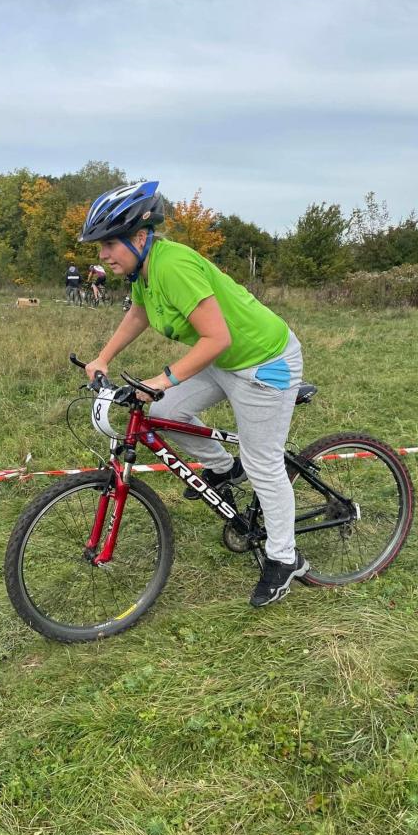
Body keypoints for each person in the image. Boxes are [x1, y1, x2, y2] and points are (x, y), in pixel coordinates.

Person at [81, 180, 308, 608]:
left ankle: (284, 557)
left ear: (140, 237)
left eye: (109, 243)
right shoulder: (144, 271)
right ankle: (224, 469)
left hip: (264, 361)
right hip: (225, 360)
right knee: (164, 412)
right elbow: (139, 313)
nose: (104, 255)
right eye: (100, 246)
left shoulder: (172, 266)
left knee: (263, 463)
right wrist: (103, 358)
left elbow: (217, 337)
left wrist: (162, 379)